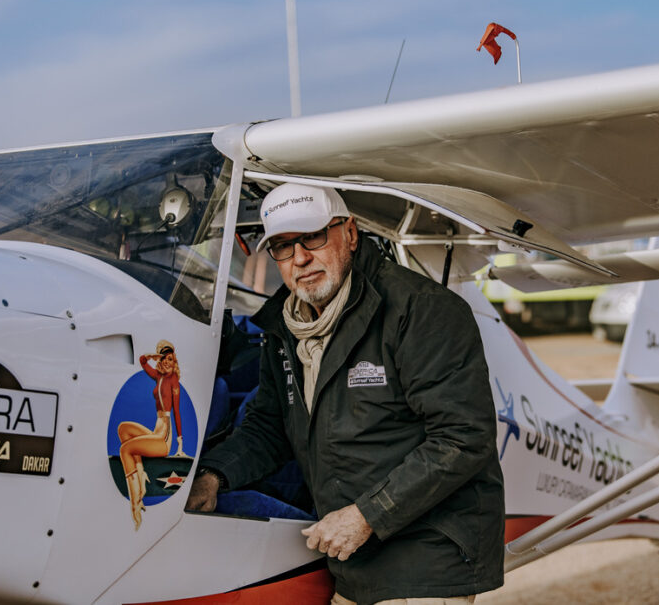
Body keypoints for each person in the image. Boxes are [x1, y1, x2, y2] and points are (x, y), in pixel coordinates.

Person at [187, 184, 504, 604]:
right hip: (353, 563)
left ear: (350, 234)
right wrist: (213, 476)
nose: (300, 257)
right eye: (282, 246)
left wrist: (367, 515)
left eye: (312, 237)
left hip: (426, 558)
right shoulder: (283, 329)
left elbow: (463, 437)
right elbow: (270, 427)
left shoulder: (421, 309)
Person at [119, 340, 184, 530]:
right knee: (124, 429)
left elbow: (177, 411)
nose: (167, 362)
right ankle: (140, 471)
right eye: (164, 358)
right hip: (156, 430)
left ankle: (136, 502)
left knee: (126, 449)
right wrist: (152, 356)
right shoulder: (158, 376)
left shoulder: (173, 380)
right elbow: (141, 361)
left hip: (165, 437)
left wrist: (180, 443)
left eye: (171, 359)